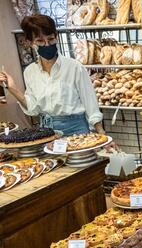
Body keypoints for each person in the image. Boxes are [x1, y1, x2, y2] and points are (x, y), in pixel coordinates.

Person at [0, 14, 116, 149]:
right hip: (46, 134)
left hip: (76, 131)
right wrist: (12, 88)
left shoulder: (74, 67)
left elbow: (90, 104)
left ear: (57, 36)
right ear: (30, 42)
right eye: (40, 41)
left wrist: (102, 136)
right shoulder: (30, 72)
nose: (47, 45)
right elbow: (33, 109)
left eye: (50, 39)